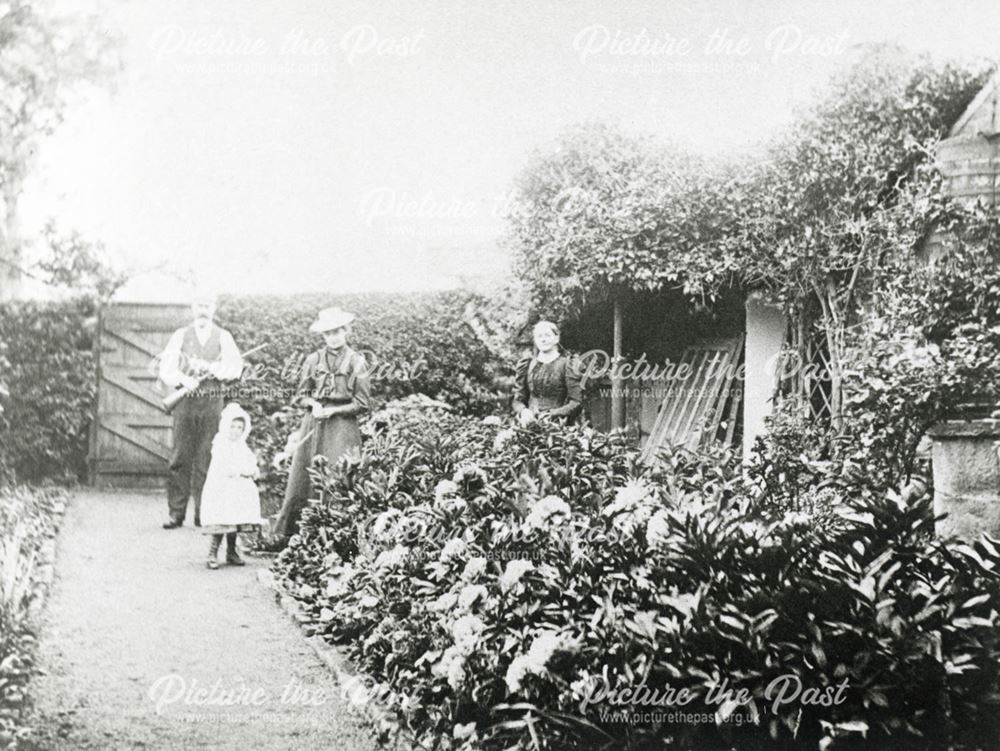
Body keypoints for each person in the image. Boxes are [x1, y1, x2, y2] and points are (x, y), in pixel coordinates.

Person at [272, 307, 371, 543]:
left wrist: (334, 410)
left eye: (337, 331)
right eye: (328, 333)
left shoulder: (357, 361)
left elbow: (363, 403)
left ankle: (338, 536)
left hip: (341, 427)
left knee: (339, 475)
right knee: (303, 475)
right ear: (323, 336)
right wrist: (313, 404)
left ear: (346, 331)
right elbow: (301, 395)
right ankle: (296, 536)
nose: (333, 337)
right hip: (314, 424)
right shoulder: (312, 360)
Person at [159, 291, 243, 529]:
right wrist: (185, 381)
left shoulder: (224, 337)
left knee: (208, 458)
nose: (203, 308)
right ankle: (176, 514)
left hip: (212, 402)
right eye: (199, 304)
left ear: (214, 308)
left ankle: (203, 513)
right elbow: (166, 369)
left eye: (208, 304)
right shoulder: (180, 335)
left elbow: (235, 368)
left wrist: (216, 369)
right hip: (185, 403)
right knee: (179, 457)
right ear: (193, 307)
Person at [200, 403, 263, 569]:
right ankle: (212, 553)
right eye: (233, 426)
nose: (235, 430)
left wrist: (254, 470)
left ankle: (231, 551)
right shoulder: (221, 444)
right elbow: (225, 468)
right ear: (226, 426)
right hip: (223, 487)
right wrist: (244, 472)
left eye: (239, 427)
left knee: (236, 519)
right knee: (223, 519)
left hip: (238, 488)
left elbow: (250, 461)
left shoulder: (242, 445)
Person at [512, 320, 583, 425]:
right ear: (535, 340)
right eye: (539, 336)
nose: (543, 340)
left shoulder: (567, 364)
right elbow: (517, 400)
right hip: (529, 424)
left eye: (547, 335)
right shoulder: (527, 365)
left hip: (558, 425)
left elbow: (576, 402)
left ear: (556, 338)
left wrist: (554, 414)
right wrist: (523, 410)